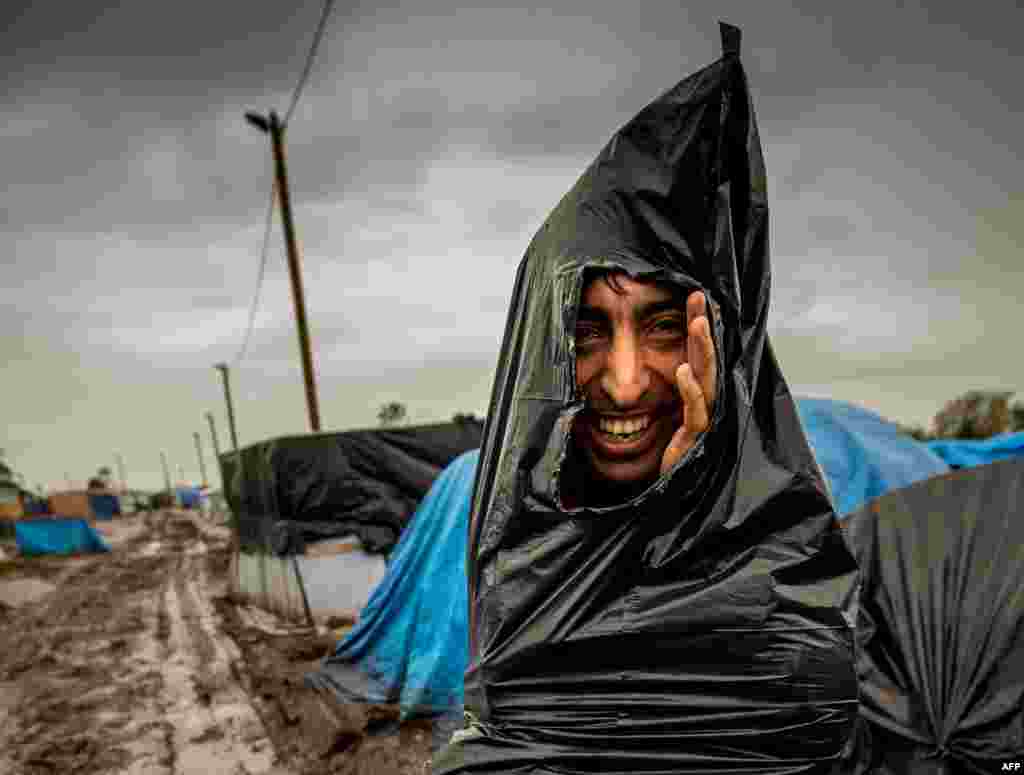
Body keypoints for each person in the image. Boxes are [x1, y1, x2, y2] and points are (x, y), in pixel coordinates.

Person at [434, 23, 860, 775]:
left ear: (720, 340)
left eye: (662, 324)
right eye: (589, 330)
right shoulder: (517, 559)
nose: (624, 380)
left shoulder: (790, 599)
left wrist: (692, 510)